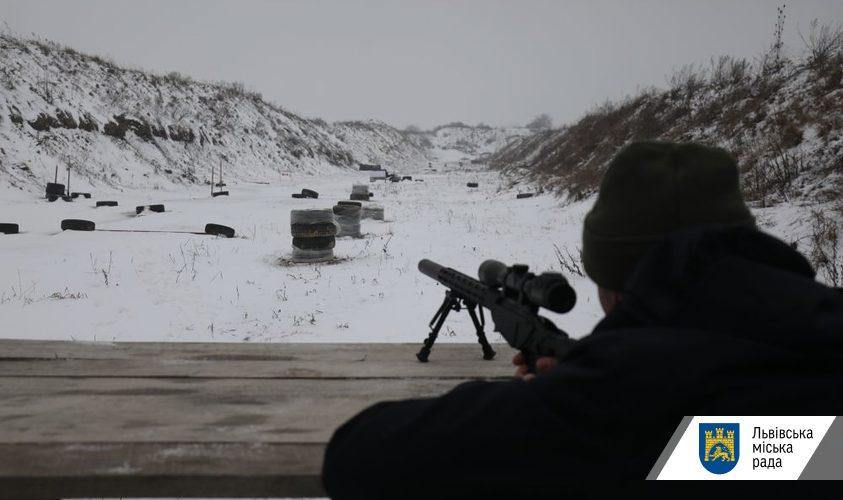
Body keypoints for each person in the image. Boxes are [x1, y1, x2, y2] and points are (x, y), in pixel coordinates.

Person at [322, 142, 843, 498]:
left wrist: (555, 398)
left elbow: (357, 456)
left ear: (614, 282)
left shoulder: (618, 400)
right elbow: (768, 451)